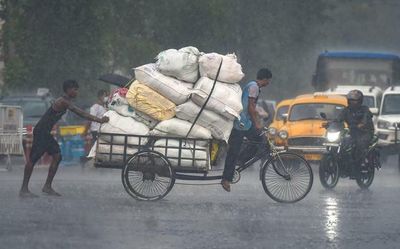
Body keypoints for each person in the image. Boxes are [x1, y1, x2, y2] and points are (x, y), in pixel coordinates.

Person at [19, 80, 109, 198]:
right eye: (75, 90)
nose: (77, 92)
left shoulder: (65, 100)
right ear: (68, 90)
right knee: (33, 159)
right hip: (41, 132)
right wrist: (100, 120)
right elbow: (81, 113)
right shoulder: (63, 101)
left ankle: (47, 186)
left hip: (45, 133)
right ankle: (24, 189)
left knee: (57, 156)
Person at [221, 68, 272, 192]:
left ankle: (240, 161)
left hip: (244, 123)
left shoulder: (252, 86)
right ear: (265, 79)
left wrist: (257, 119)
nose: (268, 83)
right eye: (268, 80)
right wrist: (257, 123)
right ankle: (229, 175)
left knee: (255, 141)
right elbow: (250, 107)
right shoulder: (254, 87)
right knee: (257, 141)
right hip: (242, 123)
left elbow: (253, 107)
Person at [337, 89, 374, 177]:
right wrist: (331, 123)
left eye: (355, 100)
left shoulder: (365, 109)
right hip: (353, 133)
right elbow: (339, 118)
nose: (353, 102)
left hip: (365, 133)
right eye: (351, 100)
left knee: (359, 145)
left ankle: (358, 167)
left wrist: (361, 125)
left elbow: (365, 119)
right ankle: (343, 164)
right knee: (342, 144)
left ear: (360, 101)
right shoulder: (346, 110)